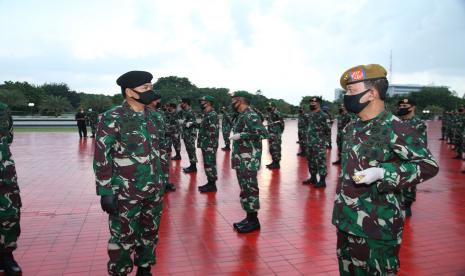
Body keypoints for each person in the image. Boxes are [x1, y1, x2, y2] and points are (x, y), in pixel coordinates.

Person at [332, 64, 439, 275]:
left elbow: (428, 166)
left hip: (377, 226)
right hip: (346, 220)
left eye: (351, 91)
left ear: (371, 93)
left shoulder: (396, 127)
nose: (346, 96)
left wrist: (384, 173)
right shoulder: (351, 127)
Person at [94, 70, 165, 276]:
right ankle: (120, 271)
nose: (150, 91)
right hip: (126, 192)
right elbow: (102, 155)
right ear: (129, 92)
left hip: (153, 188)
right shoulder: (112, 117)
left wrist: (162, 180)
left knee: (150, 233)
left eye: (151, 87)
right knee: (123, 238)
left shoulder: (156, 117)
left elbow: (161, 151)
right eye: (145, 88)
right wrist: (105, 190)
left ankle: (145, 269)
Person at [230, 91, 268, 233]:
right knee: (245, 190)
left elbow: (264, 133)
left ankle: (254, 221)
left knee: (250, 189)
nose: (232, 104)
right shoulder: (242, 115)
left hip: (249, 159)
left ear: (240, 101)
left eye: (233, 100)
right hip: (241, 159)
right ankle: (249, 217)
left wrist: (242, 135)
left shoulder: (250, 115)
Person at [0, 101, 22, 275]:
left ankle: (6, 255)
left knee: (10, 211)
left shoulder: (3, 108)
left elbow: (9, 137)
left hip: (3, 169)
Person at [397, 98, 427, 217]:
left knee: (409, 183)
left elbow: (420, 145)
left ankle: (407, 205)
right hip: (395, 158)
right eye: (401, 105)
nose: (402, 107)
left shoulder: (419, 124)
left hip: (410, 158)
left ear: (412, 107)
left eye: (405, 105)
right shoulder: (396, 121)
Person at [147, 98, 176, 193]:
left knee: (164, 164)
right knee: (156, 165)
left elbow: (164, 127)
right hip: (155, 144)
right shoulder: (147, 113)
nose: (158, 102)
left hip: (162, 143)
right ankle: (160, 184)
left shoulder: (158, 112)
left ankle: (165, 182)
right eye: (156, 100)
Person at [302, 97, 330, 188]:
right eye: (311, 102)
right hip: (309, 143)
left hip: (319, 143)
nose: (312, 103)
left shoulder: (323, 115)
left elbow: (328, 130)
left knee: (321, 161)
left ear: (319, 103)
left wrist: (324, 141)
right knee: (311, 161)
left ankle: (322, 181)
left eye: (314, 102)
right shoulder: (310, 115)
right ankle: (313, 178)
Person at [197, 96, 220, 193]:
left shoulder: (212, 114)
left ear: (209, 103)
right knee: (207, 164)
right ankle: (209, 182)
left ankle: (212, 185)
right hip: (205, 143)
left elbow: (212, 131)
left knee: (210, 164)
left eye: (203, 102)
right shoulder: (206, 114)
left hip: (209, 144)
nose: (201, 103)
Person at [179, 98, 198, 173]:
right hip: (187, 134)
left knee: (191, 150)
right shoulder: (185, 112)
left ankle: (194, 167)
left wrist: (182, 123)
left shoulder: (190, 112)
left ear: (186, 103)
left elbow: (193, 123)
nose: (181, 104)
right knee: (189, 150)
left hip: (190, 134)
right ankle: (191, 165)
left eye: (182, 103)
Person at [265, 102, 284, 169]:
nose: (269, 107)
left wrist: (279, 133)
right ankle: (273, 162)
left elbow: (282, 124)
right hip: (270, 134)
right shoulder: (270, 113)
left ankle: (277, 163)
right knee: (272, 148)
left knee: (276, 148)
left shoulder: (277, 113)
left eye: (270, 106)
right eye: (269, 106)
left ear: (274, 106)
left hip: (276, 134)